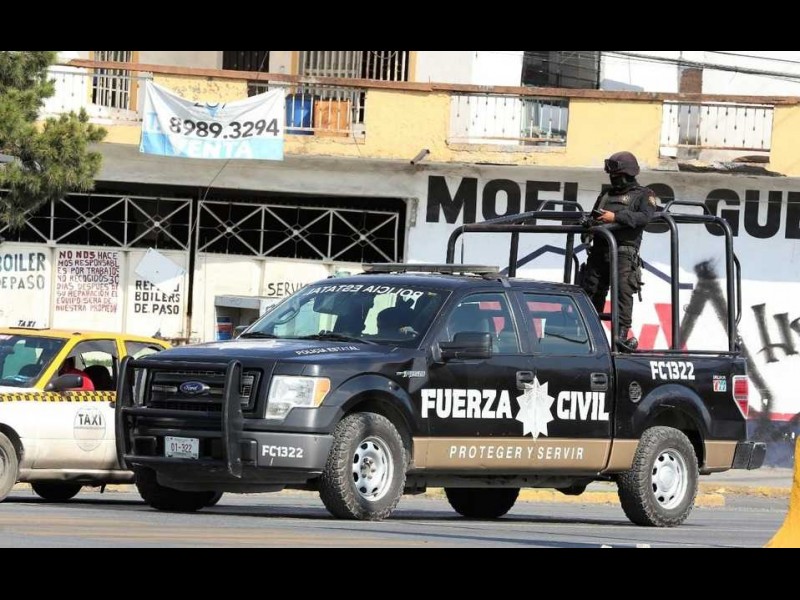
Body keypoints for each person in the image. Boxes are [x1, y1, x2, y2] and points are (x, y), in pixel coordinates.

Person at [580, 151, 658, 352]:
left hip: (623, 252)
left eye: (617, 176)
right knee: (591, 291)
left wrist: (615, 217)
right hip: (599, 251)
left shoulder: (644, 195)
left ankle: (620, 337)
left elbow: (644, 217)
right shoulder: (606, 195)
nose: (613, 179)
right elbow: (594, 217)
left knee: (622, 293)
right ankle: (589, 336)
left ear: (628, 174)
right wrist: (588, 226)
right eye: (612, 176)